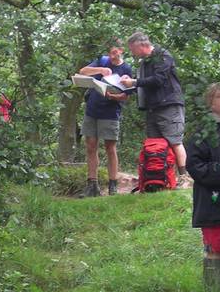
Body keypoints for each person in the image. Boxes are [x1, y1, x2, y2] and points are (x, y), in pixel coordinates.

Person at [186, 83, 220, 290]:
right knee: (215, 248)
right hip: (211, 199)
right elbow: (194, 166)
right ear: (210, 102)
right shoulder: (202, 131)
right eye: (218, 97)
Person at [119, 31, 187, 178]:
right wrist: (131, 80)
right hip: (152, 108)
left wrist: (135, 82)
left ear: (141, 45)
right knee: (155, 143)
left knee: (175, 141)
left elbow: (158, 80)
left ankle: (184, 177)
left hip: (169, 105)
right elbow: (145, 82)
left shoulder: (162, 56)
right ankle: (163, 178)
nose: (133, 53)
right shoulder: (144, 63)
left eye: (132, 49)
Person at [77, 41, 133, 196]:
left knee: (110, 148)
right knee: (90, 146)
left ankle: (113, 185)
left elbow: (126, 96)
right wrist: (101, 69)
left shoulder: (126, 68)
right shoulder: (102, 61)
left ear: (122, 51)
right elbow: (83, 71)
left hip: (110, 112)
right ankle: (92, 185)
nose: (112, 55)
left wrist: (113, 96)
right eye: (110, 52)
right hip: (92, 109)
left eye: (115, 52)